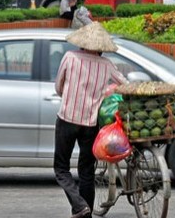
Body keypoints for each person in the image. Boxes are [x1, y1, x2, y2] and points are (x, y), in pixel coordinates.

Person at [54, 22, 127, 218]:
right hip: (90, 124)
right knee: (86, 171)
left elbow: (58, 86)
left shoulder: (70, 57)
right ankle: (85, 213)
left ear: (82, 43)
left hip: (67, 118)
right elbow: (125, 85)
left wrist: (69, 95)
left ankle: (79, 206)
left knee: (61, 168)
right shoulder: (107, 65)